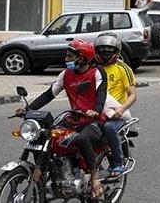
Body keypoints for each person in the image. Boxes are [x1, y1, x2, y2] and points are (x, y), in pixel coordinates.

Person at [21, 40, 107, 198]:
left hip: (94, 120)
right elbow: (49, 94)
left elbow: (102, 93)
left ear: (82, 58)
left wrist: (96, 111)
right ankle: (46, 176)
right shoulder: (66, 74)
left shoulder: (96, 72)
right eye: (66, 56)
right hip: (74, 118)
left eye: (70, 56)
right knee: (44, 135)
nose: (66, 59)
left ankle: (95, 178)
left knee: (82, 139)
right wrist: (29, 109)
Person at [94, 32, 137, 178]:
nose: (105, 52)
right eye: (102, 49)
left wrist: (121, 109)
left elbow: (133, 95)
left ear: (117, 51)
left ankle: (118, 163)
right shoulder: (92, 68)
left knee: (109, 127)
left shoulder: (122, 68)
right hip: (96, 111)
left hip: (115, 115)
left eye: (109, 49)